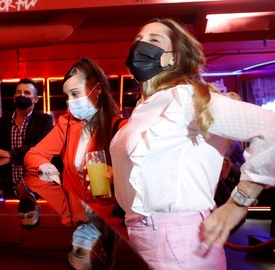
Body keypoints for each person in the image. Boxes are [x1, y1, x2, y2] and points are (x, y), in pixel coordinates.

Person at [110, 18, 275, 269]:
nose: (141, 45)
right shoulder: (146, 107)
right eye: (138, 39)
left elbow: (271, 129)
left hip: (178, 241)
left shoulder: (186, 97)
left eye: (154, 40)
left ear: (174, 58)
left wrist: (239, 203)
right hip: (139, 235)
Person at [24, 58, 126, 268]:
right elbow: (32, 157)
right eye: (67, 95)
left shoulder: (120, 127)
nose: (70, 102)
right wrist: (47, 166)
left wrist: (120, 176)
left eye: (75, 94)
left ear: (96, 89)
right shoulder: (67, 124)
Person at [0, 78, 53, 164]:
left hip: (35, 171)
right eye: (19, 92)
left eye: (27, 93)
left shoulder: (44, 120)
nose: (22, 95)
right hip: (8, 173)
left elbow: (39, 145)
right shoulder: (4, 120)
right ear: (14, 98)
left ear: (35, 99)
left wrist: (10, 154)